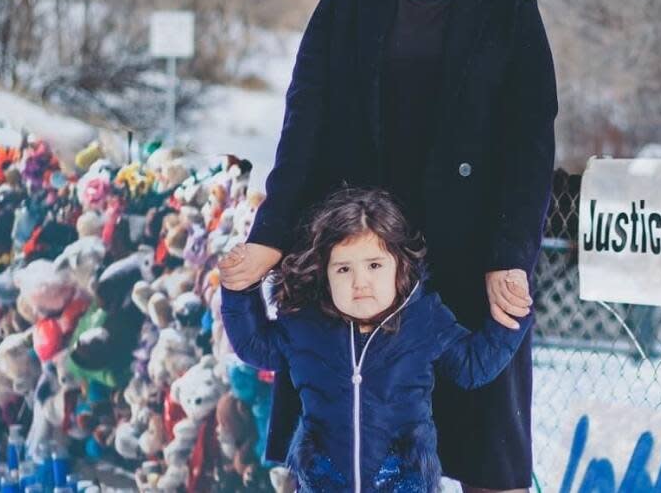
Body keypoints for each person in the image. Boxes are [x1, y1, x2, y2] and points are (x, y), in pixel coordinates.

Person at [219, 0, 558, 492]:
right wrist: (269, 236)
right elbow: (303, 127)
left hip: (467, 266)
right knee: (335, 454)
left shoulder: (512, 14)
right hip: (354, 262)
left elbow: (531, 151)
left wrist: (508, 257)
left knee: (487, 460)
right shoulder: (348, 2)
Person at [220, 188, 532, 492]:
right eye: (343, 269)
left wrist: (510, 317)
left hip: (403, 480)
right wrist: (239, 290)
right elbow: (255, 346)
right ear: (325, 274)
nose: (360, 282)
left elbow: (472, 366)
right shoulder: (306, 326)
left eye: (374, 265)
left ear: (400, 265)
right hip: (325, 479)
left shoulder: (423, 320)